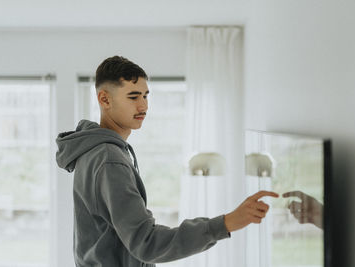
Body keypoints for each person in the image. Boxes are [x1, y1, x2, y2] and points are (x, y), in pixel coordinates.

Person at [56, 56, 279, 267]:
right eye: (133, 97)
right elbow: (147, 242)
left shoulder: (96, 152)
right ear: (104, 99)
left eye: (145, 96)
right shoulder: (108, 159)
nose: (143, 106)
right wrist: (226, 223)